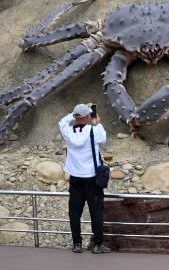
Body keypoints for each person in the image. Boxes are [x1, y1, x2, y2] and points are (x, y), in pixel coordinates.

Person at [58, 103, 110, 254]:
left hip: (75, 178)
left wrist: (74, 113)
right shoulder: (94, 131)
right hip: (92, 179)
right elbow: (104, 139)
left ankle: (77, 244)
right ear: (88, 117)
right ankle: (98, 245)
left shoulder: (66, 131)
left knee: (74, 213)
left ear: (76, 117)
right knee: (96, 212)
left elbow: (62, 121)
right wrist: (97, 122)